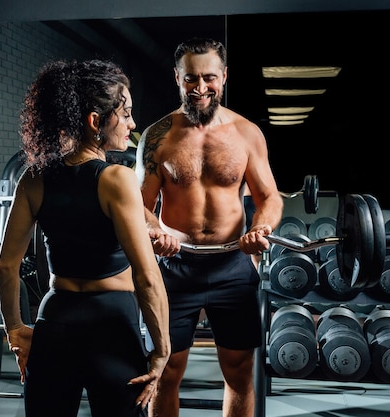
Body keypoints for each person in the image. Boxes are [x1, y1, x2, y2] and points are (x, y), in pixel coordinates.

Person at [0, 59, 170, 417]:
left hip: (55, 320)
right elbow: (147, 277)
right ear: (95, 121)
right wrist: (161, 350)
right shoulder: (116, 179)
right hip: (111, 326)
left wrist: (15, 330)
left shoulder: (33, 178)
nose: (132, 124)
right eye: (126, 114)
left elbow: (6, 266)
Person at [135, 38, 284, 417]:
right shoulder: (157, 137)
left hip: (232, 266)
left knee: (238, 373)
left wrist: (260, 229)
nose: (200, 88)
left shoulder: (246, 133)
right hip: (174, 267)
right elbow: (140, 205)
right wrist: (155, 232)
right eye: (191, 79)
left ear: (225, 77)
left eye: (209, 78)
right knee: (166, 372)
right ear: (177, 78)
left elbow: (270, 198)